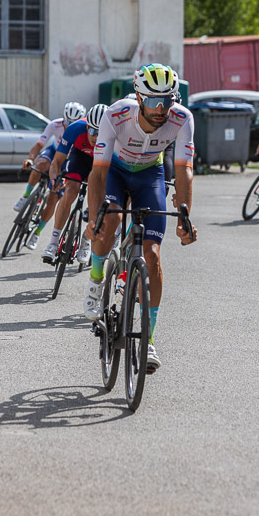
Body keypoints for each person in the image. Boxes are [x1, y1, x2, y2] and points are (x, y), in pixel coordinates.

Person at [83, 63, 197, 374]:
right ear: (138, 96)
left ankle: (147, 339)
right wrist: (94, 218)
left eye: (168, 101)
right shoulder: (117, 114)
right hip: (116, 172)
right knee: (109, 225)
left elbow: (185, 169)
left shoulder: (181, 118)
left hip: (150, 175)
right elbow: (98, 172)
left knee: (153, 255)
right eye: (152, 101)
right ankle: (96, 280)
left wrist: (184, 217)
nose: (161, 110)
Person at [40, 104, 107, 265]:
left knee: (96, 197)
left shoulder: (114, 136)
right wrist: (54, 179)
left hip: (100, 162)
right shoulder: (75, 129)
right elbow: (56, 161)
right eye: (92, 131)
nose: (96, 136)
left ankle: (86, 240)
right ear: (87, 126)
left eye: (101, 132)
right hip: (80, 158)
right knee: (70, 191)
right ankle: (53, 242)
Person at [13, 101, 86, 212]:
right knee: (41, 164)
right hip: (54, 150)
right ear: (63, 117)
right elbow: (39, 144)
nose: (69, 126)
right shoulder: (55, 124)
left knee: (54, 197)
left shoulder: (83, 131)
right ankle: (26, 196)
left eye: (73, 123)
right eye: (67, 121)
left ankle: (39, 228)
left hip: (68, 158)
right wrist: (30, 159)